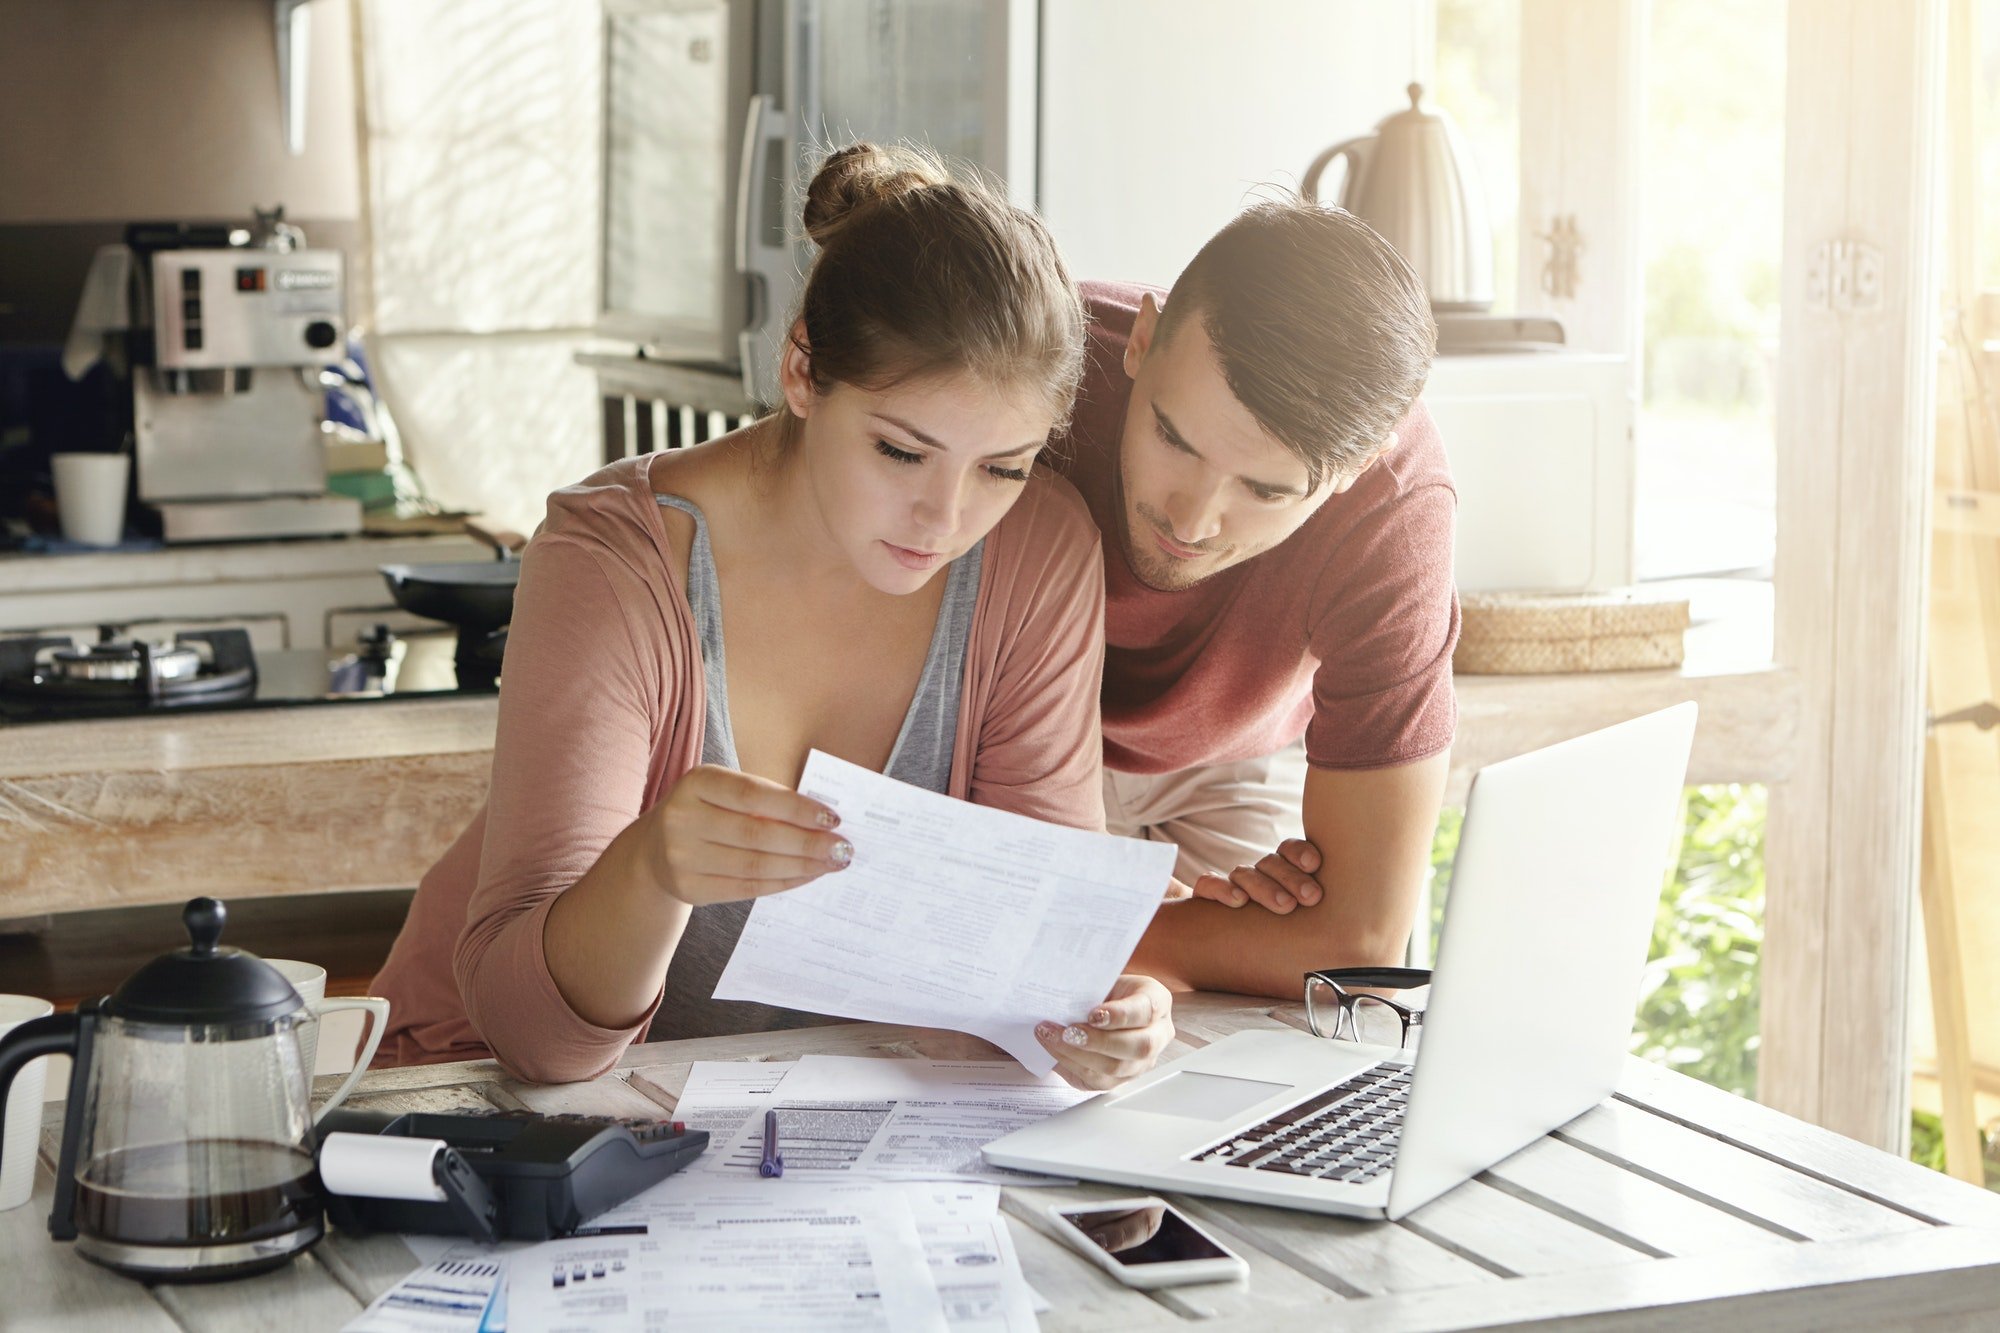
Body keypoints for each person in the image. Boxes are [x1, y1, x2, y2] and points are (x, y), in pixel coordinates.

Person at [370, 144, 1174, 1090]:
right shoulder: (613, 559)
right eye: (901, 451)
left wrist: (1095, 1014)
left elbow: (1018, 968)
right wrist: (650, 872)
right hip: (484, 1104)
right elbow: (535, 1044)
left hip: (791, 1128)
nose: (946, 518)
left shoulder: (1039, 551)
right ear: (801, 371)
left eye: (1001, 466)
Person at [1048, 201, 1458, 1000]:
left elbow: (1359, 945)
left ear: (1355, 470)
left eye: (1265, 489)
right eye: (1173, 437)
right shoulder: (1036, 357)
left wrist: (1084, 927)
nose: (1190, 519)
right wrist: (1161, 933)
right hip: (1013, 741)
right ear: (1140, 339)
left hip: (1231, 761)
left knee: (1271, 1043)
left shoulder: (1396, 509)